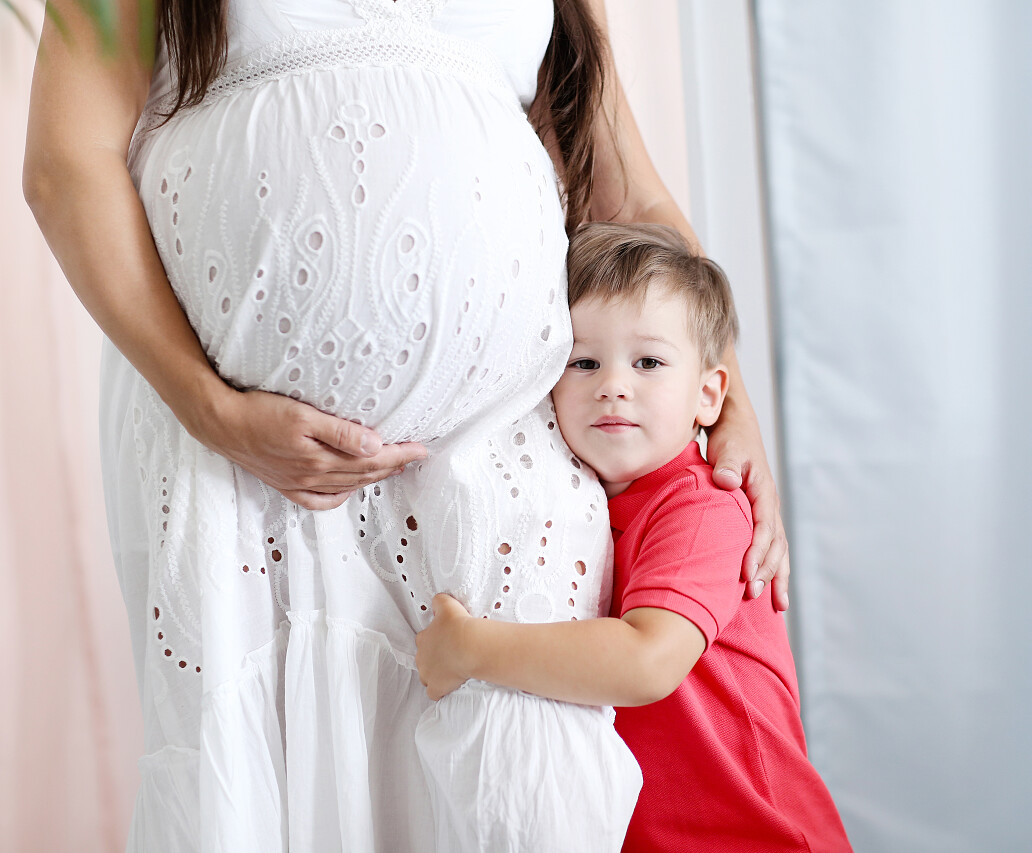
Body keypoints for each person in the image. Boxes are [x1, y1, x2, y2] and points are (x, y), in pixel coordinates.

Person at [24, 1, 792, 849]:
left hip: (503, 451)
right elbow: (66, 162)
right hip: (240, 468)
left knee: (522, 790)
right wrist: (212, 409)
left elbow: (625, 185)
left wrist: (730, 406)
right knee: (274, 791)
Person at [415, 222, 851, 852]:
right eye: (584, 362)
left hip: (756, 835)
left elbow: (648, 661)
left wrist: (471, 649)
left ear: (708, 395)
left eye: (648, 362)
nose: (612, 384)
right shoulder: (585, 507)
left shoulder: (702, 506)